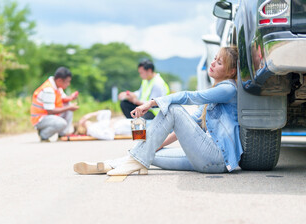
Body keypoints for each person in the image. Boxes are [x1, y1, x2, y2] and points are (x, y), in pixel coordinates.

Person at [73, 47, 243, 175]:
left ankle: (130, 162)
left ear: (231, 71)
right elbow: (192, 125)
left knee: (174, 109)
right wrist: (157, 144)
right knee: (149, 153)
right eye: (214, 59)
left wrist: (152, 103)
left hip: (216, 158)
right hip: (204, 159)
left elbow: (190, 96)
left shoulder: (229, 89)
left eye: (219, 63)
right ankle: (108, 165)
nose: (212, 63)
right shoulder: (215, 92)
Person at [30, 67, 79, 142]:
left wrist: (71, 97)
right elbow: (50, 110)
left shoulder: (57, 87)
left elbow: (64, 99)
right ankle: (44, 135)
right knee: (62, 122)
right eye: (67, 82)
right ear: (59, 80)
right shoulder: (48, 89)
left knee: (68, 105)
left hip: (50, 116)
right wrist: (69, 107)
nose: (68, 84)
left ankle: (62, 134)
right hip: (40, 119)